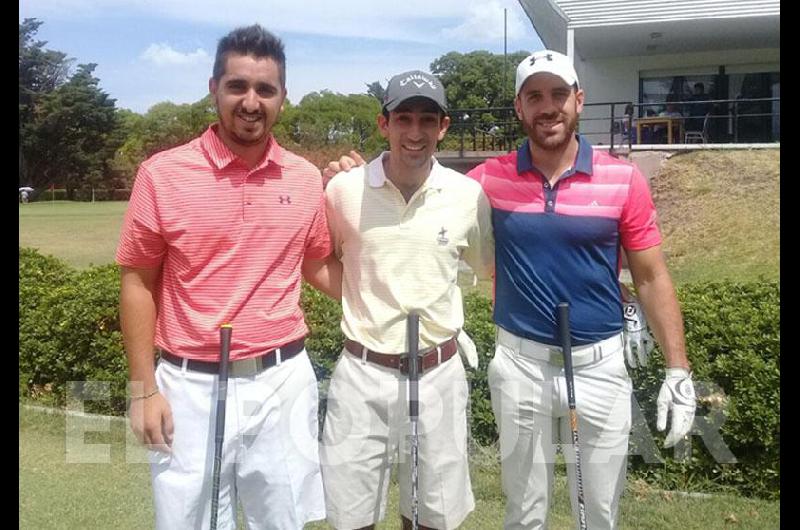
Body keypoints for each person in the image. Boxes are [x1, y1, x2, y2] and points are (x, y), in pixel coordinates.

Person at [326, 50, 695, 529]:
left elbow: (651, 276)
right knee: (523, 512)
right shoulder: (484, 183)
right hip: (520, 365)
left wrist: (678, 369)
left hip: (600, 365)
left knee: (600, 512)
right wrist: (351, 180)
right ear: (519, 108)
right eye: (534, 96)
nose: (548, 107)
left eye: (559, 94)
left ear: (579, 101)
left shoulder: (623, 179)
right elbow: (421, 208)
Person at [116, 24, 340, 530]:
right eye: (237, 86)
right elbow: (137, 281)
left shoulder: (305, 179)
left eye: (265, 89)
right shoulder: (162, 174)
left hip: (283, 379)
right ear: (213, 87)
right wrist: (142, 389)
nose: (251, 101)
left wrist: (393, 295)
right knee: (190, 522)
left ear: (284, 97)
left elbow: (318, 263)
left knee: (281, 521)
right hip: (187, 384)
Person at [320, 70, 494, 530]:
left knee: (432, 518)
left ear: (444, 127)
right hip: (362, 374)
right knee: (352, 518)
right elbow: (315, 261)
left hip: (438, 373)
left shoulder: (467, 196)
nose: (414, 133)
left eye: (426, 120)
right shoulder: (342, 190)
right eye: (403, 119)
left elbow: (481, 267)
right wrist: (365, 292)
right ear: (384, 124)